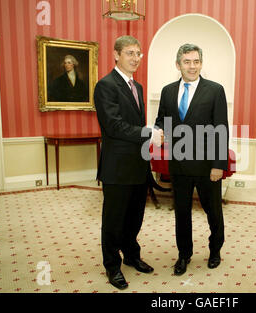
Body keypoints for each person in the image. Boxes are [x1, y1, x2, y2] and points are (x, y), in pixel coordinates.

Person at [94, 35, 163, 290]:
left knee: (135, 218)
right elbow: (113, 126)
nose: (135, 58)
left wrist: (149, 137)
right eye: (130, 53)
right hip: (117, 167)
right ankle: (112, 266)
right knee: (113, 221)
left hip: (138, 165)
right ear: (116, 55)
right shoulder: (106, 85)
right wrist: (148, 133)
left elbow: (134, 125)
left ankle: (132, 256)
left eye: (138, 54)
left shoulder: (139, 87)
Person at [155, 43, 229, 276]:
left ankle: (215, 250)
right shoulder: (167, 91)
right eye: (187, 61)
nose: (192, 66)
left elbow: (221, 129)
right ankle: (184, 254)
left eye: (196, 61)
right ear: (178, 65)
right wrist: (157, 131)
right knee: (182, 212)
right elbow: (162, 120)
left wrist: (219, 165)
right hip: (179, 164)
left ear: (201, 63)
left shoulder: (215, 90)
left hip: (208, 166)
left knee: (213, 211)